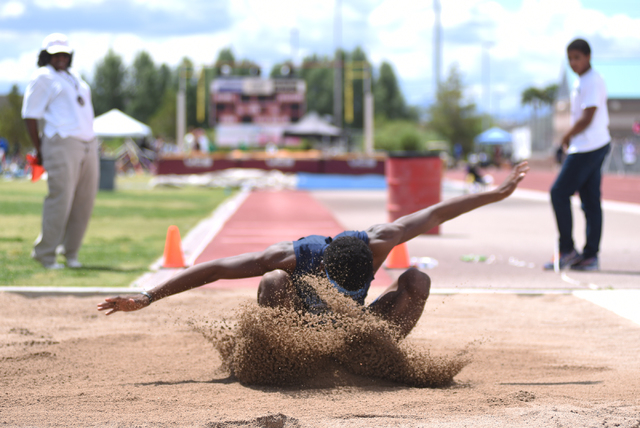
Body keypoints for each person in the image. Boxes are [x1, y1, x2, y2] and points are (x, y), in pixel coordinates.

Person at [99, 162, 529, 337]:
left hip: (356, 330)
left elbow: (437, 212)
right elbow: (216, 268)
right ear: (323, 267)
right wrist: (148, 296)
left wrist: (498, 192)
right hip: (300, 331)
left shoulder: (379, 241)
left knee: (418, 278)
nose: (346, 288)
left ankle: (381, 356)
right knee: (270, 283)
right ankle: (282, 360)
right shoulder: (292, 256)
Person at [22, 33, 99, 269]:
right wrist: (40, 148)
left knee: (84, 201)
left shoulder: (73, 76)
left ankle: (71, 252)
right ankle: (45, 254)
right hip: (61, 141)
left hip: (88, 142)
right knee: (61, 199)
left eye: (64, 53)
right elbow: (30, 115)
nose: (61, 58)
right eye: (55, 54)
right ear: (46, 55)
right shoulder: (42, 77)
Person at [544, 39, 611, 272]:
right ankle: (590, 256)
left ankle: (568, 250)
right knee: (590, 201)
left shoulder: (592, 80)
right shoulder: (583, 80)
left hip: (588, 146)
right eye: (570, 58)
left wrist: (566, 136)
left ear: (588, 56)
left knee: (559, 192)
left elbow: (588, 116)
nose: (573, 63)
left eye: (577, 58)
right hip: (592, 144)